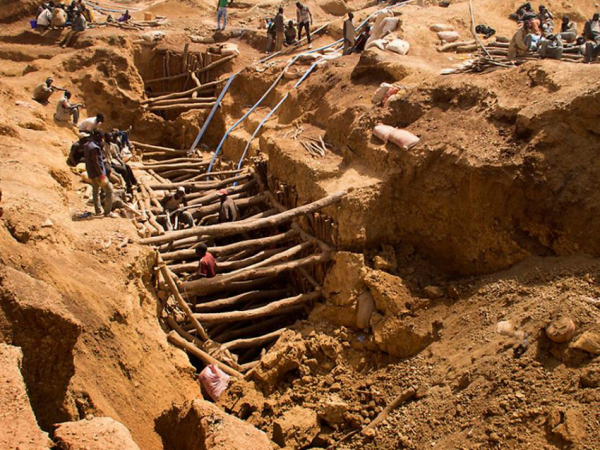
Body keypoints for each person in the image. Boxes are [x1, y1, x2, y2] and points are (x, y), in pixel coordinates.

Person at [84, 130, 115, 217]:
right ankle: (107, 212)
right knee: (109, 191)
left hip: (91, 172)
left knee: (96, 191)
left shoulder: (87, 145)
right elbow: (96, 162)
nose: (102, 139)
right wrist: (101, 174)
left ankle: (98, 211)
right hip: (98, 173)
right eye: (101, 137)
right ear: (97, 136)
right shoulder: (94, 148)